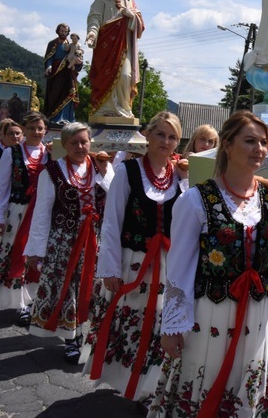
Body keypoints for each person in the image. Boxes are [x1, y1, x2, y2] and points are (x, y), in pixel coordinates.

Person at [149, 110, 268, 417]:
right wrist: (171, 325)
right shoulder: (196, 200)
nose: (259, 149)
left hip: (261, 313)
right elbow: (179, 268)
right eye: (250, 141)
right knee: (206, 380)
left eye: (263, 143)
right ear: (227, 145)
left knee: (246, 384)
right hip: (212, 313)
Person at [85, 112, 188, 400]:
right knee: (130, 321)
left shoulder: (180, 178)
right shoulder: (128, 172)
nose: (165, 141)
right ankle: (125, 379)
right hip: (133, 263)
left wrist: (187, 180)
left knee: (159, 325)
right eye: (160, 134)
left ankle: (149, 386)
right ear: (148, 135)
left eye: (172, 137)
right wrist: (109, 269)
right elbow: (112, 222)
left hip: (167, 265)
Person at [24, 122, 113, 363]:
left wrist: (106, 172)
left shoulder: (100, 166)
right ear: (64, 145)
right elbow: (42, 213)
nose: (80, 146)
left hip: (94, 240)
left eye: (84, 141)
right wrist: (35, 251)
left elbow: (115, 197)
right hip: (64, 241)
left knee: (91, 288)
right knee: (69, 289)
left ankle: (86, 336)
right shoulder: (51, 172)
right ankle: (71, 339)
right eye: (74, 142)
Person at [0, 111, 50, 326]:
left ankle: (32, 301)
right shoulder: (12, 153)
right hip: (18, 212)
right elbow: (3, 187)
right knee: (15, 254)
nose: (36, 132)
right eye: (32, 128)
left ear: (45, 130)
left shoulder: (50, 154)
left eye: (40, 128)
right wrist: (1, 216)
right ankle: (17, 302)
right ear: (25, 129)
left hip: (41, 214)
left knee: (37, 256)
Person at [86, 0, 145, 118]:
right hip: (105, 45)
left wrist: (130, 15)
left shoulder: (130, 0)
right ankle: (103, 109)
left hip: (124, 46)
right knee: (104, 77)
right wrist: (92, 33)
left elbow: (140, 24)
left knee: (125, 75)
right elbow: (95, 17)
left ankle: (123, 109)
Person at [44, 23, 82, 124]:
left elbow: (77, 57)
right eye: (62, 31)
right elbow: (49, 57)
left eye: (66, 32)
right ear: (58, 31)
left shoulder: (71, 45)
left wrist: (79, 61)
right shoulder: (53, 44)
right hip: (56, 73)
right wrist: (49, 66)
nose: (64, 33)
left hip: (68, 74)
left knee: (69, 94)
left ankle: (67, 118)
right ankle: (55, 117)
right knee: (55, 95)